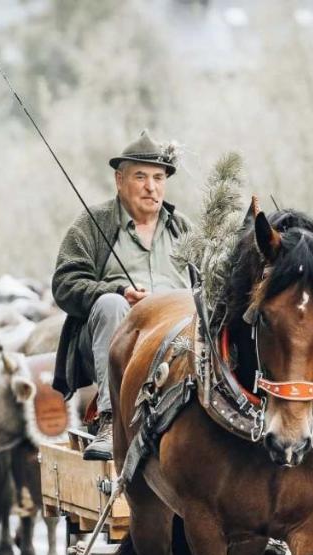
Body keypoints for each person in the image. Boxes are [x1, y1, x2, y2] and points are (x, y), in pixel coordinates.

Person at [52, 130, 193, 460]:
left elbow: (208, 283)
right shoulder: (93, 224)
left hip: (178, 340)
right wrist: (118, 290)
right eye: (140, 176)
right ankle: (111, 420)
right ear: (119, 179)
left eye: (159, 178)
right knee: (111, 304)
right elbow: (65, 283)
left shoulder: (182, 228)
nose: (151, 187)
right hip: (118, 336)